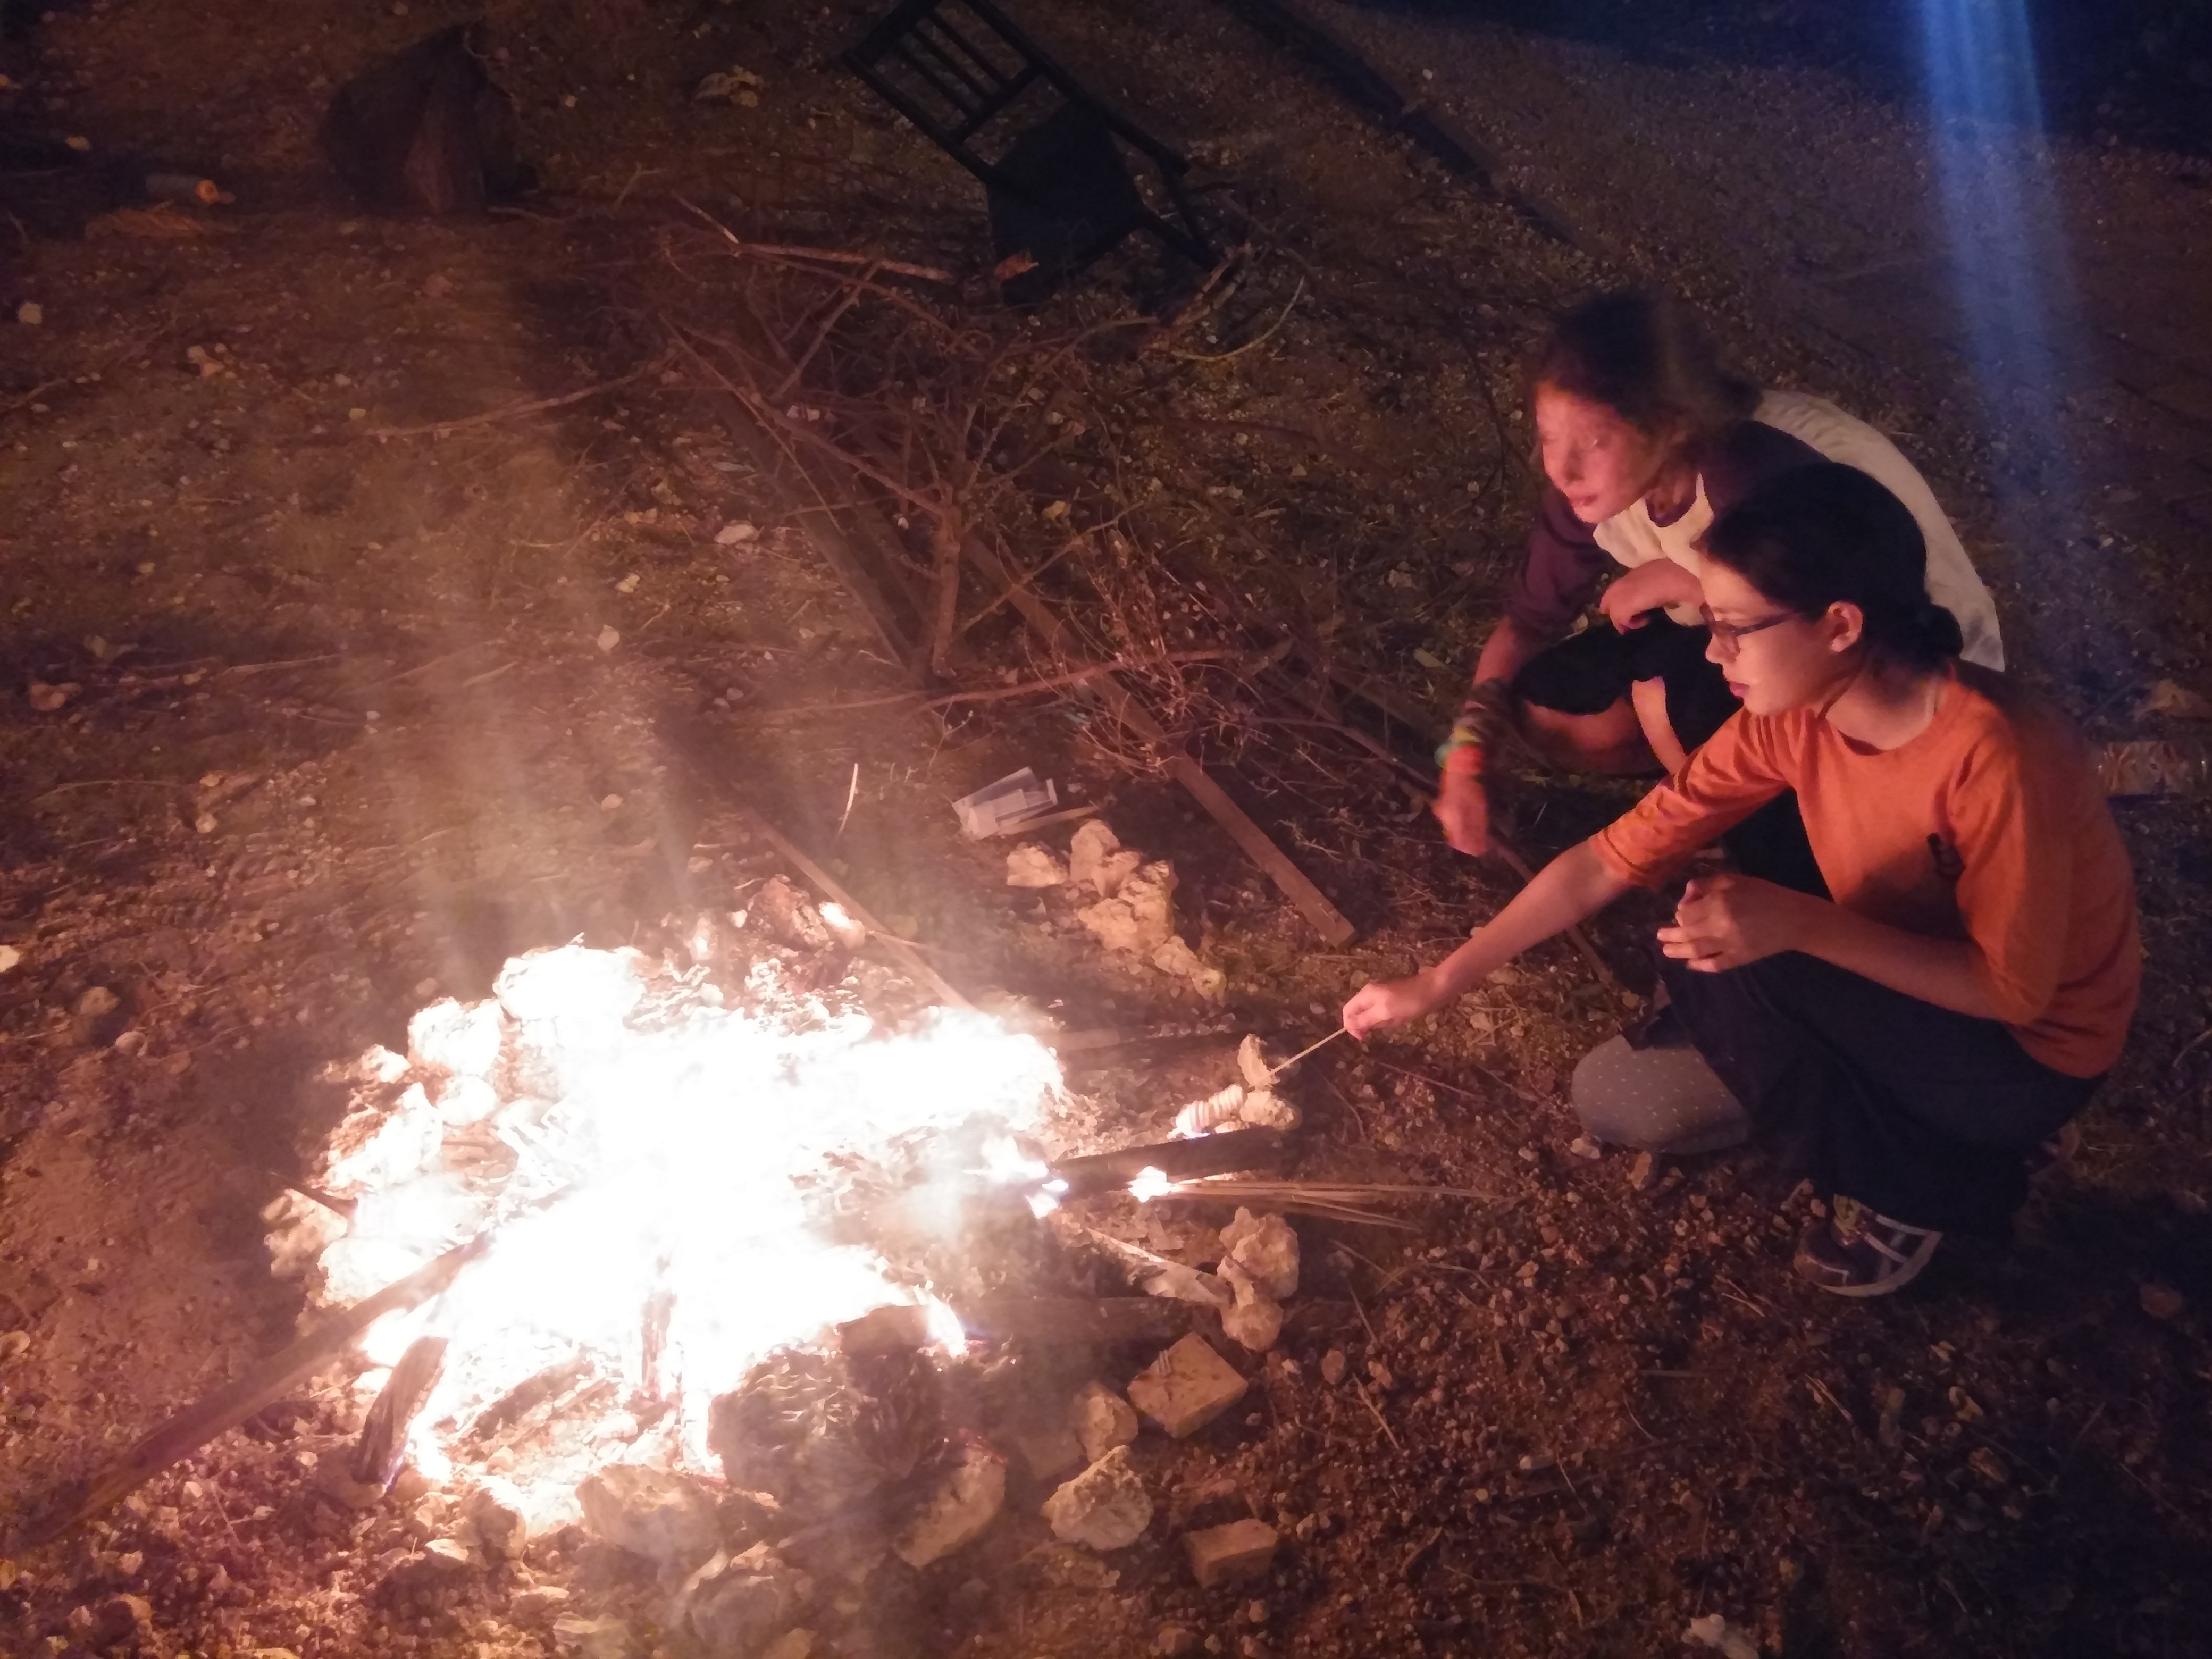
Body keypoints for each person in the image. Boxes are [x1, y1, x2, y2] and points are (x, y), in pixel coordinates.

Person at [1348, 464, 2137, 1297]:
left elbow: (2014, 991)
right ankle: (1911, 1115)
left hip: (2032, 1053)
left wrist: (1799, 925)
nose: (1712, 650)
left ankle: (1924, 1186)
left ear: (1840, 624)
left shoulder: (1997, 755)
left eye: (1734, 628)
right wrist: (1440, 981)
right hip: (1916, 982)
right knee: (1698, 959)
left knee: (1739, 956)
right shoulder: (1793, 720)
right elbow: (1610, 857)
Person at [1438, 290, 2003, 893]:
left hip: (1902, 663)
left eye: (1596, 441)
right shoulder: (1601, 487)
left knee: (1667, 698)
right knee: (1552, 710)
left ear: (1673, 424)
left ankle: (1793, 857)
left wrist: (1681, 581)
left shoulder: (1754, 471)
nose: (1564, 468)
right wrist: (1464, 759)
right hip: (1754, 624)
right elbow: (1527, 623)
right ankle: (1728, 797)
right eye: (1550, 436)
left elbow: (1841, 629)